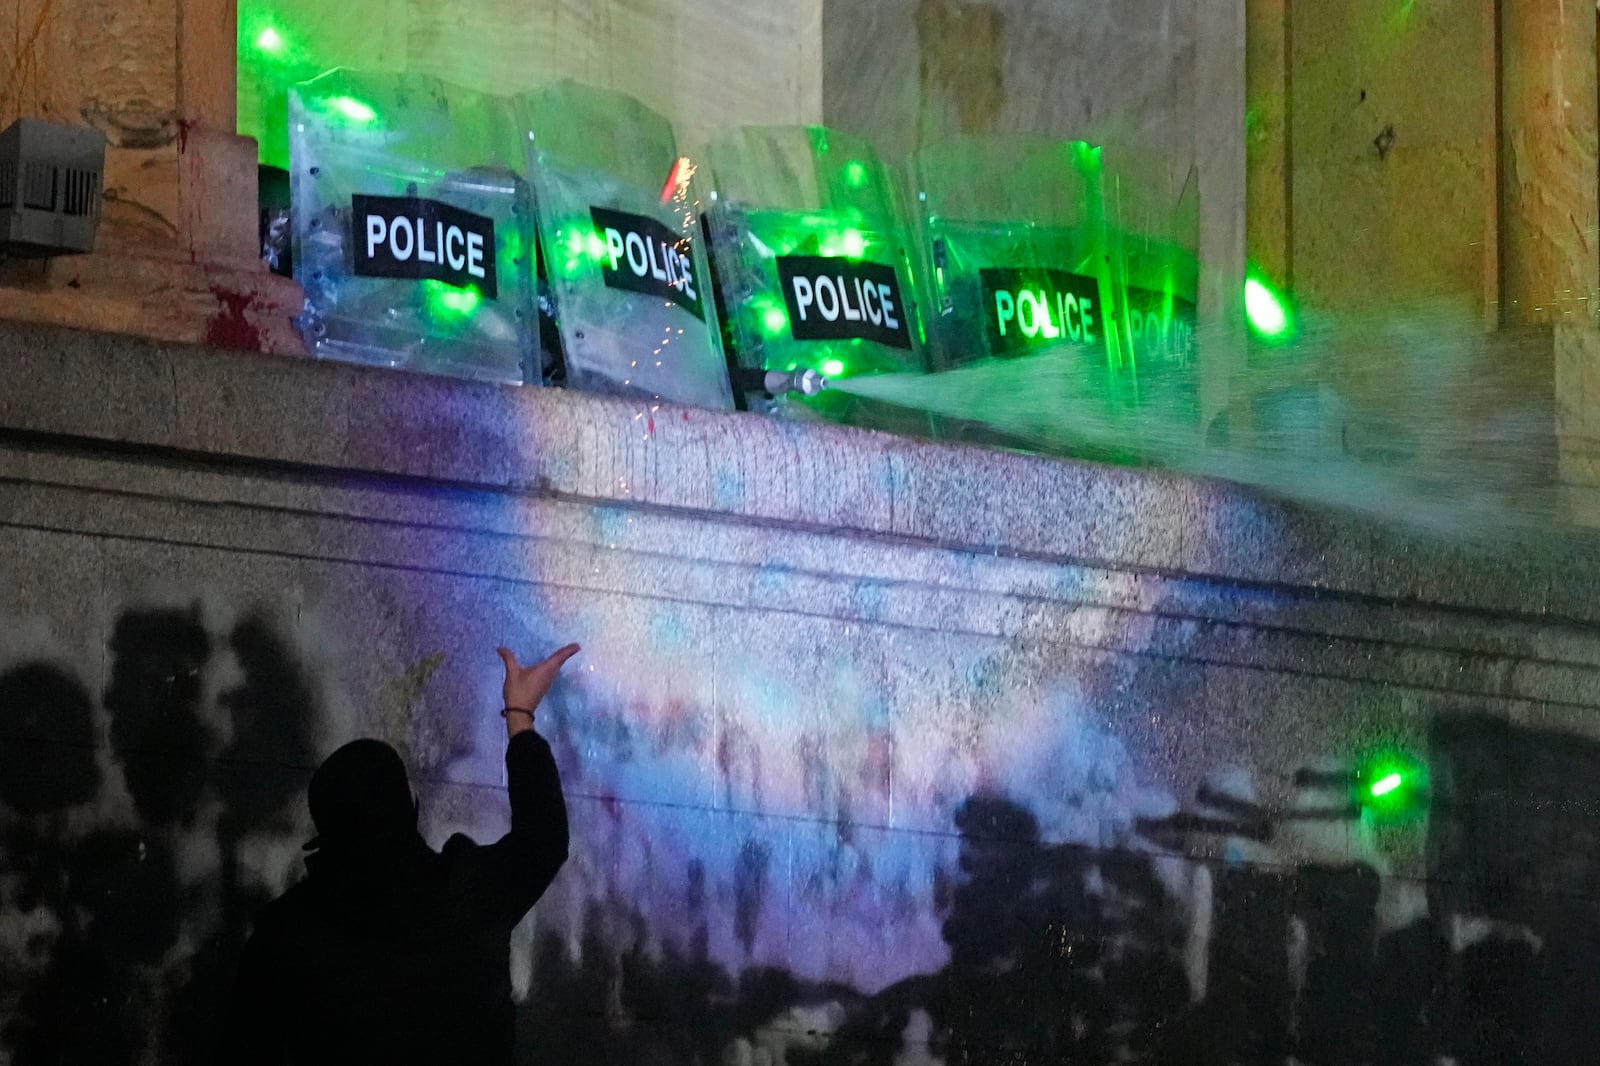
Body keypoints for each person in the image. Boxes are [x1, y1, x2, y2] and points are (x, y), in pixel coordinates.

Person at [224, 642, 580, 1065]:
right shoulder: (468, 894)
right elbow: (543, 838)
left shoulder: (286, 936)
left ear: (324, 833)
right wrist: (519, 715)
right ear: (411, 808)